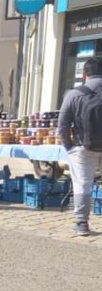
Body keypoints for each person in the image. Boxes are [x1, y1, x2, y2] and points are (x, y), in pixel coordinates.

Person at [58, 56, 102, 236]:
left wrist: (69, 146)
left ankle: (82, 223)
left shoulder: (74, 94)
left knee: (82, 183)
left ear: (84, 74)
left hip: (83, 146)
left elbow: (62, 125)